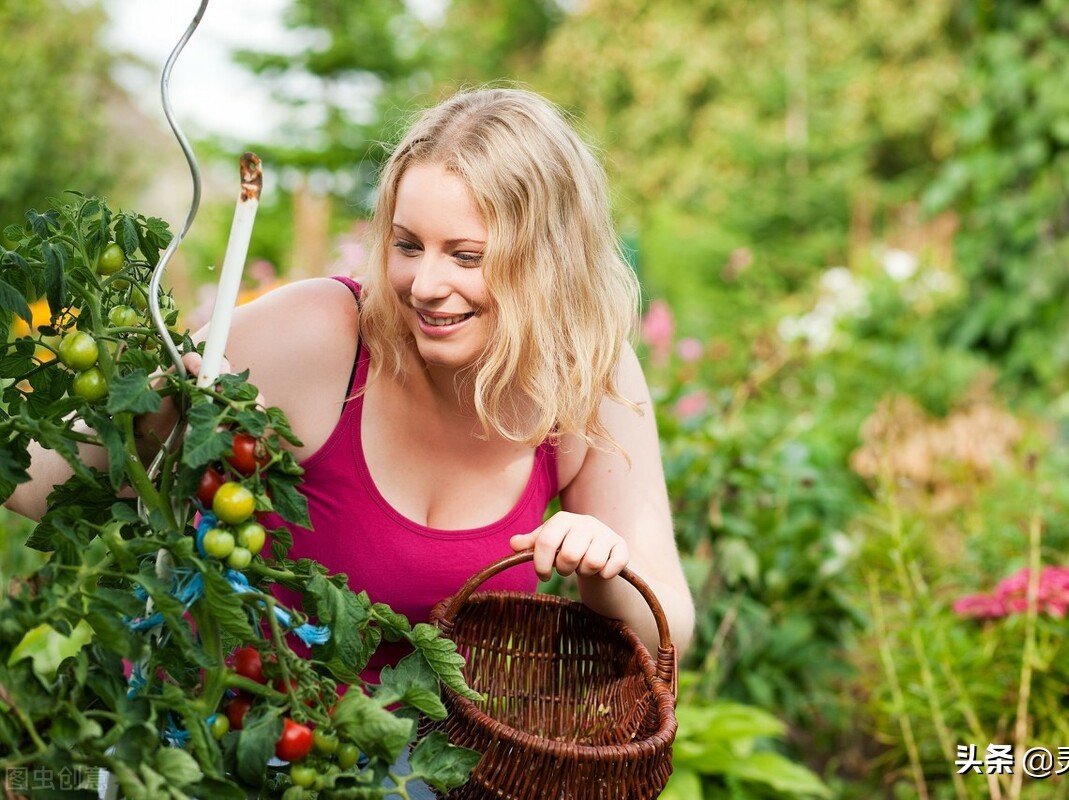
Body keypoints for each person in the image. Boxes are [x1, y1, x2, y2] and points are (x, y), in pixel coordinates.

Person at [7, 87, 694, 794]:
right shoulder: (321, 336)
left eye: (466, 255)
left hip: (432, 775)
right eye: (407, 245)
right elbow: (37, 483)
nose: (424, 284)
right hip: (234, 752)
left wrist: (603, 572)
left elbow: (672, 623)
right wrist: (150, 429)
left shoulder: (587, 377)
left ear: (547, 258)